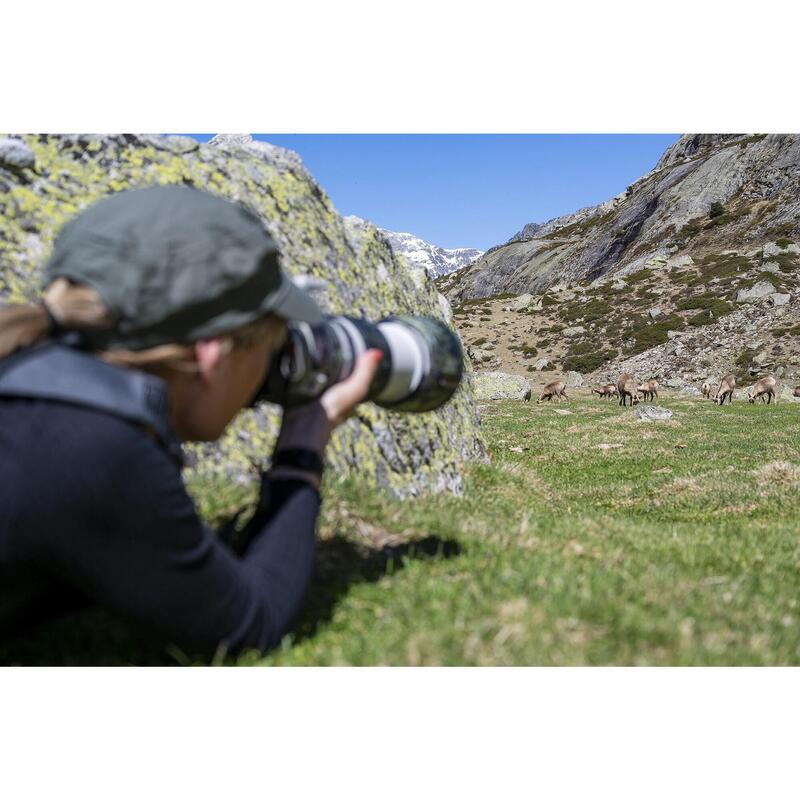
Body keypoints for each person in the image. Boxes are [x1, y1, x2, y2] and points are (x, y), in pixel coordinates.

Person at [0, 186, 383, 659]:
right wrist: (305, 440)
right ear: (212, 353)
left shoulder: (27, 377)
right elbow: (246, 627)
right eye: (269, 348)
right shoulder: (92, 449)